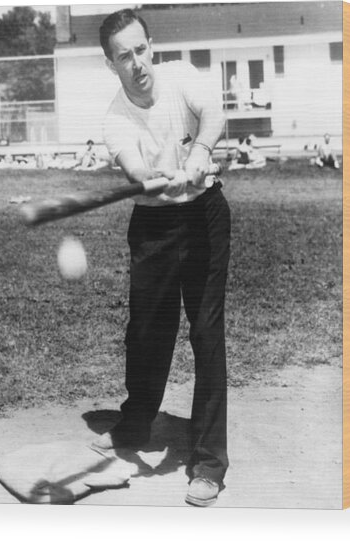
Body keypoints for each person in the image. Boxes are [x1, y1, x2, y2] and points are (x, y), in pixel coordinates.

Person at [94, 9, 230, 507]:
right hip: (152, 222)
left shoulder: (180, 78)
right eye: (124, 57)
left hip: (205, 217)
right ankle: (135, 424)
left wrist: (198, 154)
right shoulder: (115, 116)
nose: (137, 64)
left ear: (152, 46)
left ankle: (209, 460)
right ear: (111, 64)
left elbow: (214, 114)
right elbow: (132, 163)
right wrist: (145, 177)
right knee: (147, 329)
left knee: (205, 330)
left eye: (140, 50)